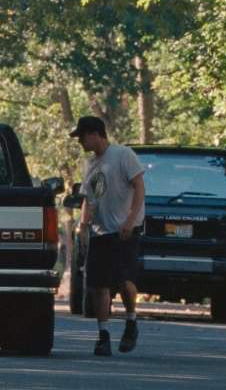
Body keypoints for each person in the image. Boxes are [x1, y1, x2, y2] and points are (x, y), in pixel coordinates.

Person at [70, 116, 145, 357]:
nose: (80, 141)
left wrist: (131, 220)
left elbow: (140, 187)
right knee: (99, 286)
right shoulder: (89, 164)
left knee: (124, 281)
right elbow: (88, 199)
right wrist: (83, 226)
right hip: (101, 232)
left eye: (82, 136)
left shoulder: (123, 155)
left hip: (124, 231)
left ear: (95, 134)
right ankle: (103, 336)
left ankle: (131, 321)